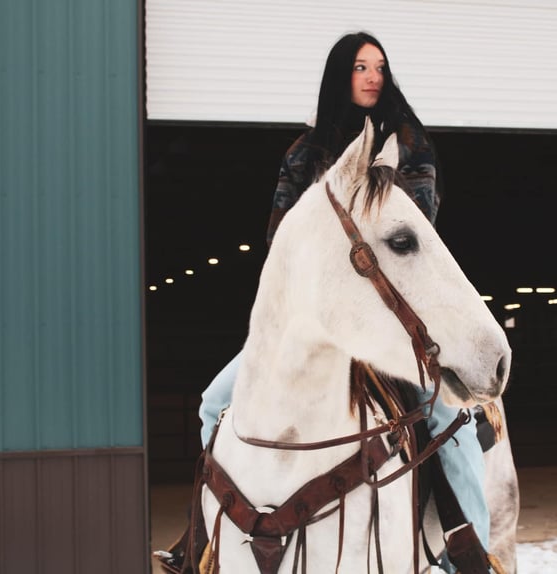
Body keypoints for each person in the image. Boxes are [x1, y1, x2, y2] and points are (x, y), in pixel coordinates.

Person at [198, 31, 491, 572]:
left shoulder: (411, 143)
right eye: (360, 66)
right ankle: (203, 542)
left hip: (382, 316)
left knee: (452, 423)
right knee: (214, 404)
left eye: (379, 66)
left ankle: (468, 549)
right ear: (341, 75)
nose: (373, 75)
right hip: (313, 317)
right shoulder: (304, 152)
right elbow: (280, 241)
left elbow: (412, 237)